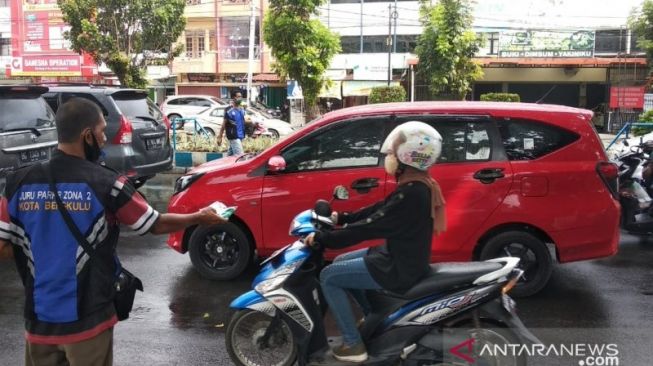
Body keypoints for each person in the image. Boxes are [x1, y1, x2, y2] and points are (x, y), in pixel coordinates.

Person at [0, 98, 227, 366]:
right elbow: (153, 224)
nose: (104, 139)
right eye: (101, 132)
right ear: (87, 136)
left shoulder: (19, 183)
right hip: (89, 321)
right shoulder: (107, 182)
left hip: (38, 322)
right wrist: (199, 217)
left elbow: (3, 248)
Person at [305, 121, 447, 363]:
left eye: (392, 154)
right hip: (400, 256)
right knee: (341, 261)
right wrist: (343, 217)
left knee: (329, 276)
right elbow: (379, 209)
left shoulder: (412, 193)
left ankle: (352, 344)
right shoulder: (416, 185)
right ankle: (376, 317)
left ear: (408, 157)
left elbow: (371, 227)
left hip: (399, 267)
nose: (388, 158)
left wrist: (323, 238)